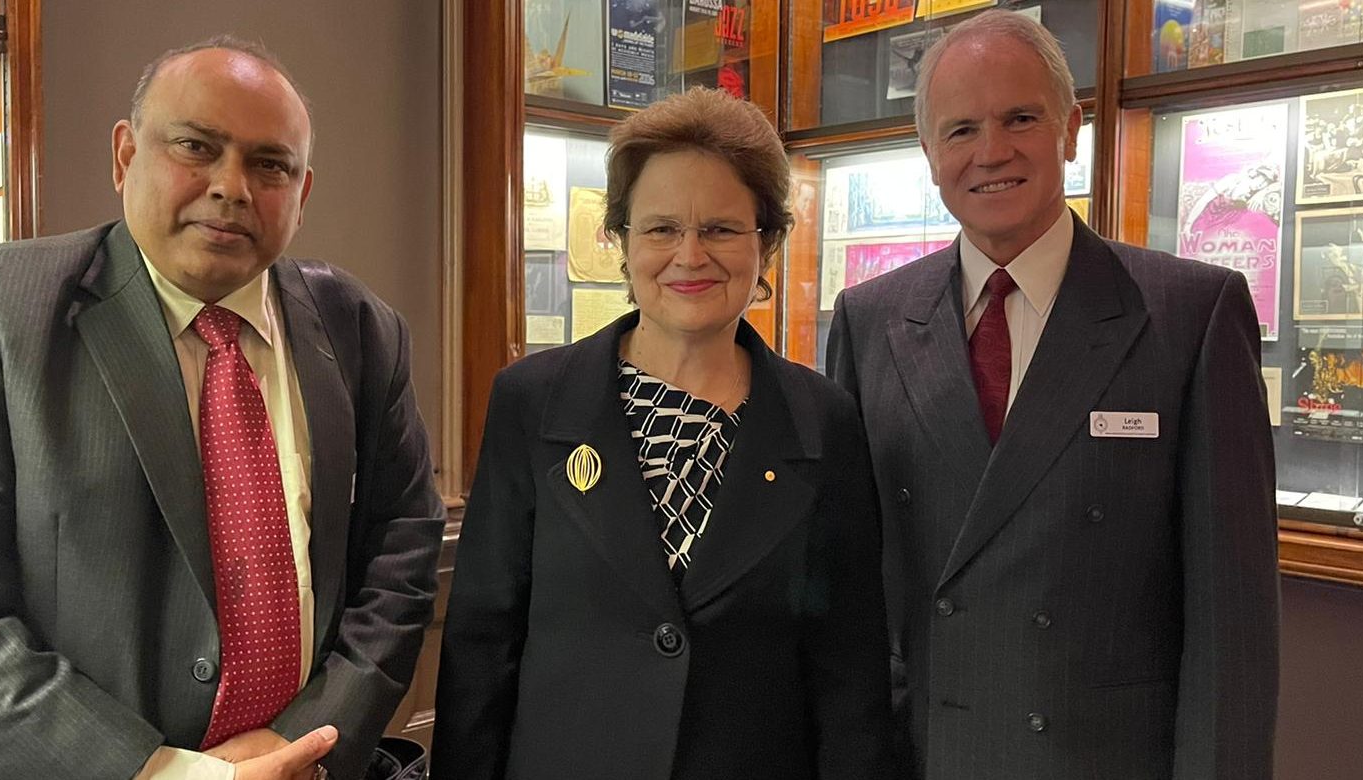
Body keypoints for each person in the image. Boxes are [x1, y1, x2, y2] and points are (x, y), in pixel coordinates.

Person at [0, 36, 446, 780]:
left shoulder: (365, 330)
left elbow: (400, 557)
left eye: (269, 164)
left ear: (302, 193)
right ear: (124, 156)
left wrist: (300, 745)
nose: (231, 186)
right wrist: (174, 775)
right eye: (196, 147)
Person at [826, 10, 1279, 779]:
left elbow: (1230, 621)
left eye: (1021, 118)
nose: (992, 152)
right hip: (925, 754)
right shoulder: (869, 321)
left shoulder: (1188, 314)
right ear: (929, 152)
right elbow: (845, 586)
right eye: (961, 129)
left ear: (1071, 129)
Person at [433, 88, 894, 779]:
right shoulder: (532, 403)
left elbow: (848, 669)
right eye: (659, 228)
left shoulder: (824, 421)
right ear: (619, 241)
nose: (689, 255)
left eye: (720, 228)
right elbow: (481, 646)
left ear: (766, 242)